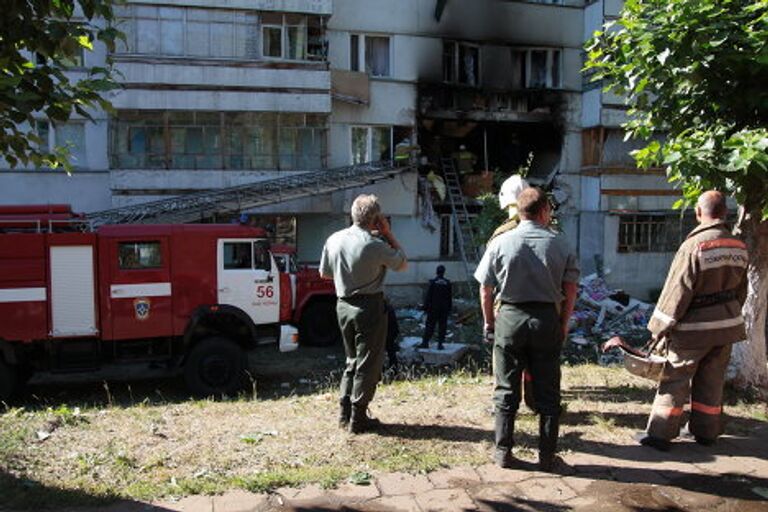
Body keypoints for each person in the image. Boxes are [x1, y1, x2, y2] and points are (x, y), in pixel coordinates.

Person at [474, 187, 579, 471]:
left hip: (509, 317)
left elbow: (485, 289)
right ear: (545, 211)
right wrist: (563, 323)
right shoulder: (561, 243)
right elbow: (570, 290)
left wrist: (489, 322)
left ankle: (503, 453)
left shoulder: (500, 242)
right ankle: (546, 456)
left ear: (519, 212)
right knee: (548, 391)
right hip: (546, 320)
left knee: (506, 389)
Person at [637, 191, 748, 451]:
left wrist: (659, 328)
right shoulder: (739, 246)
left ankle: (660, 435)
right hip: (727, 327)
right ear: (724, 213)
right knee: (712, 381)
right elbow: (742, 291)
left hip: (693, 330)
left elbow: (677, 290)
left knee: (675, 379)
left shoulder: (695, 246)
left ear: (699, 212)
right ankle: (707, 432)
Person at [319, 194, 408, 434]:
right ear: (376, 219)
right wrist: (388, 234)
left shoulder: (334, 239)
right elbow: (402, 263)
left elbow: (325, 273)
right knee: (368, 364)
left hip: (342, 305)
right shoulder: (374, 245)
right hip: (368, 307)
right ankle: (358, 418)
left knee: (351, 361)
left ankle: (344, 412)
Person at [488, 174, 537, 413]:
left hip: (507, 308)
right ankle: (535, 399)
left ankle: (505, 404)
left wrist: (488, 321)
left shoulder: (500, 234)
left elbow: (487, 282)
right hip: (543, 309)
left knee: (505, 360)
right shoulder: (549, 231)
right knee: (536, 360)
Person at [418, 265, 453, 350]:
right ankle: (440, 344)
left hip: (433, 308)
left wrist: (425, 307)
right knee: (442, 326)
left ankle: (425, 343)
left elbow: (428, 296)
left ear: (437, 272)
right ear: (444, 272)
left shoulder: (433, 282)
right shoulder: (447, 283)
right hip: (443, 309)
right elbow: (449, 297)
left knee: (430, 325)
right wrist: (449, 309)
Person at [385, 299, 400, 369]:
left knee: (390, 353)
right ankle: (394, 369)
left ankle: (392, 369)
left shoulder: (384, 310)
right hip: (390, 334)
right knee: (391, 353)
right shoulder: (389, 309)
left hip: (387, 334)